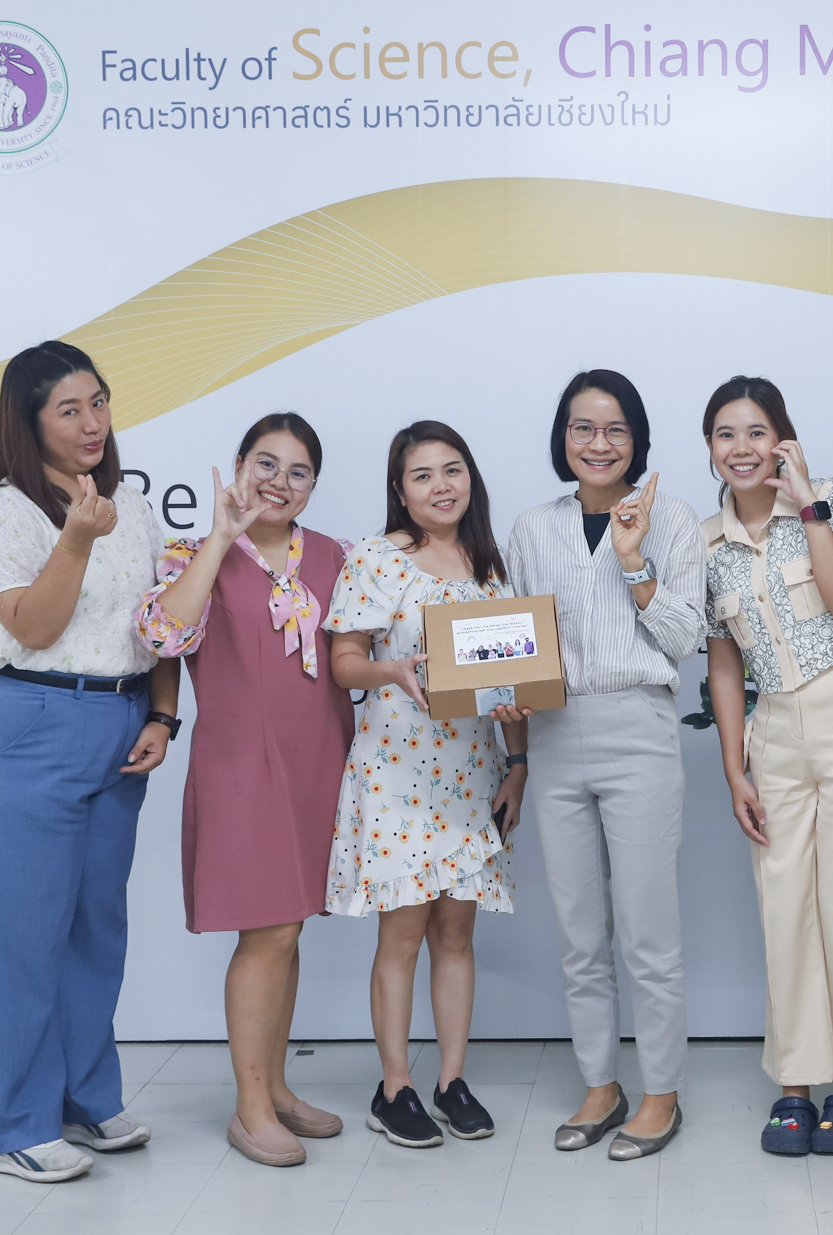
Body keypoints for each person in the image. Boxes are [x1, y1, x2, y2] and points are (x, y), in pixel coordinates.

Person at [0, 341, 180, 1183]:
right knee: (19, 935)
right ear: (30, 421)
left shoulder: (133, 504)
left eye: (99, 402)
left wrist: (163, 713)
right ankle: (10, 1123)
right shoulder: (2, 512)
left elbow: (162, 625)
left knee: (94, 928)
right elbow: (38, 627)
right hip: (26, 722)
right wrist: (76, 539)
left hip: (120, 720)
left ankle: (85, 1099)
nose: (92, 423)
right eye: (69, 410)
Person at [698, 376, 833, 1157]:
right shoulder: (707, 542)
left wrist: (808, 501)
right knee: (784, 909)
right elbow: (724, 663)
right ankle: (796, 1082)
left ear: (784, 439)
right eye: (726, 434)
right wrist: (735, 767)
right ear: (710, 447)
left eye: (757, 432)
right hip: (776, 730)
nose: (742, 448)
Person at [134, 413, 357, 1167]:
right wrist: (222, 536)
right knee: (265, 930)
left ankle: (279, 1088)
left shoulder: (334, 555)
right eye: (266, 463)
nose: (279, 482)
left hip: (318, 758)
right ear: (237, 466)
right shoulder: (193, 553)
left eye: (298, 471)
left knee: (290, 927)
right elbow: (163, 636)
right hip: (239, 762)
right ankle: (250, 1107)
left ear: (314, 485)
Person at [505, 369, 705, 1160]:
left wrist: (633, 558)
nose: (599, 442)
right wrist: (506, 707)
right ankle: (600, 1083)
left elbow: (685, 637)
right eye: (583, 427)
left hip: (638, 725)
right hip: (555, 733)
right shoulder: (532, 527)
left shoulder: (672, 519)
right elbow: (515, 644)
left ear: (637, 438)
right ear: (563, 436)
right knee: (579, 932)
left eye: (615, 428)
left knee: (649, 934)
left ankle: (660, 1093)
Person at [325, 421, 528, 1149]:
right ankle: (393, 1088)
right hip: (398, 773)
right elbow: (345, 660)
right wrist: (391, 669)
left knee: (456, 934)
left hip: (471, 774)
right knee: (403, 935)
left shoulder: (490, 568)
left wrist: (518, 763)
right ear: (400, 490)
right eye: (423, 475)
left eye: (452, 469)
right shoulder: (376, 558)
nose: (442, 486)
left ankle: (450, 1080)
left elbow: (510, 684)